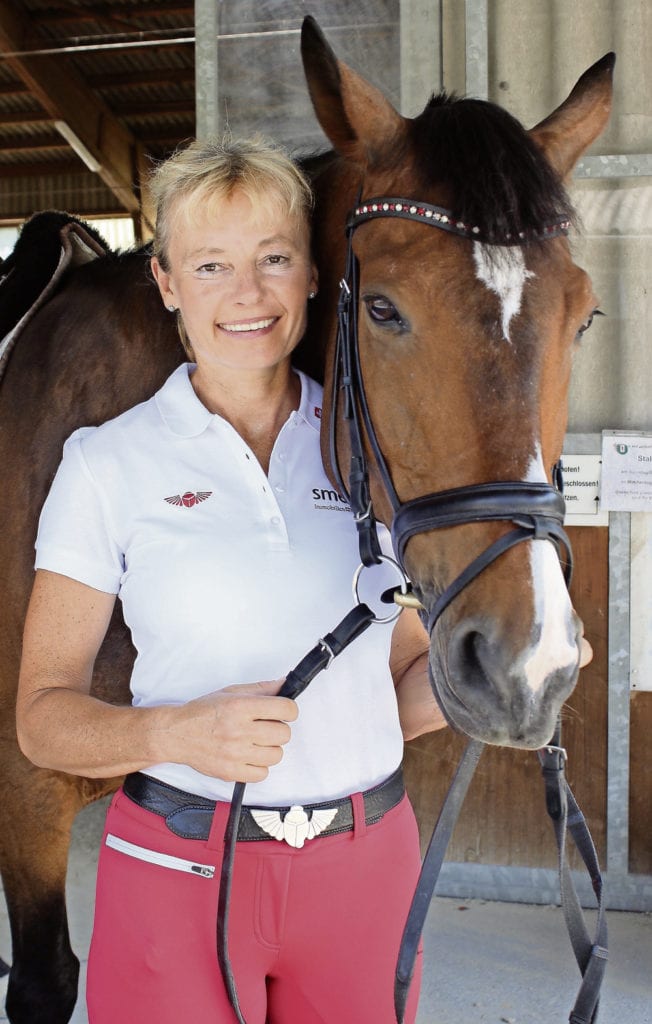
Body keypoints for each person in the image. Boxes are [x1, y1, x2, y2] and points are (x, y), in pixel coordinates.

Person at [16, 136, 449, 1024]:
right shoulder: (107, 464)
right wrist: (177, 731)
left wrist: (492, 675)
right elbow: (42, 722)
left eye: (274, 259)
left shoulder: (375, 452)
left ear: (315, 276)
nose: (247, 295)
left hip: (366, 870)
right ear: (169, 284)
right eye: (211, 264)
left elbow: (396, 694)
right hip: (180, 866)